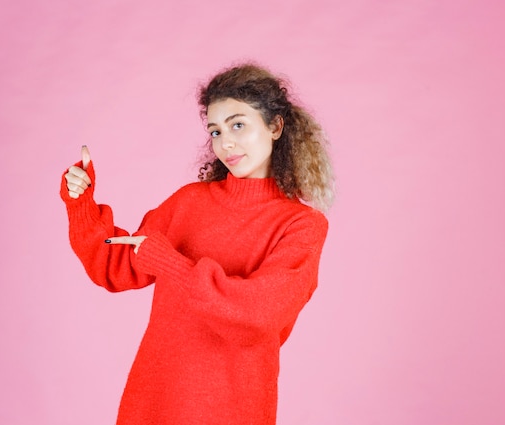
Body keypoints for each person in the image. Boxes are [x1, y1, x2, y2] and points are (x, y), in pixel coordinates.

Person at [60, 63, 334, 425]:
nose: (226, 143)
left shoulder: (302, 225)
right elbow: (114, 266)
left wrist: (171, 263)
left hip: (235, 405)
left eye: (238, 125)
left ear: (275, 126)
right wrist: (81, 204)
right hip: (156, 396)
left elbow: (258, 315)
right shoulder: (189, 202)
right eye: (216, 131)